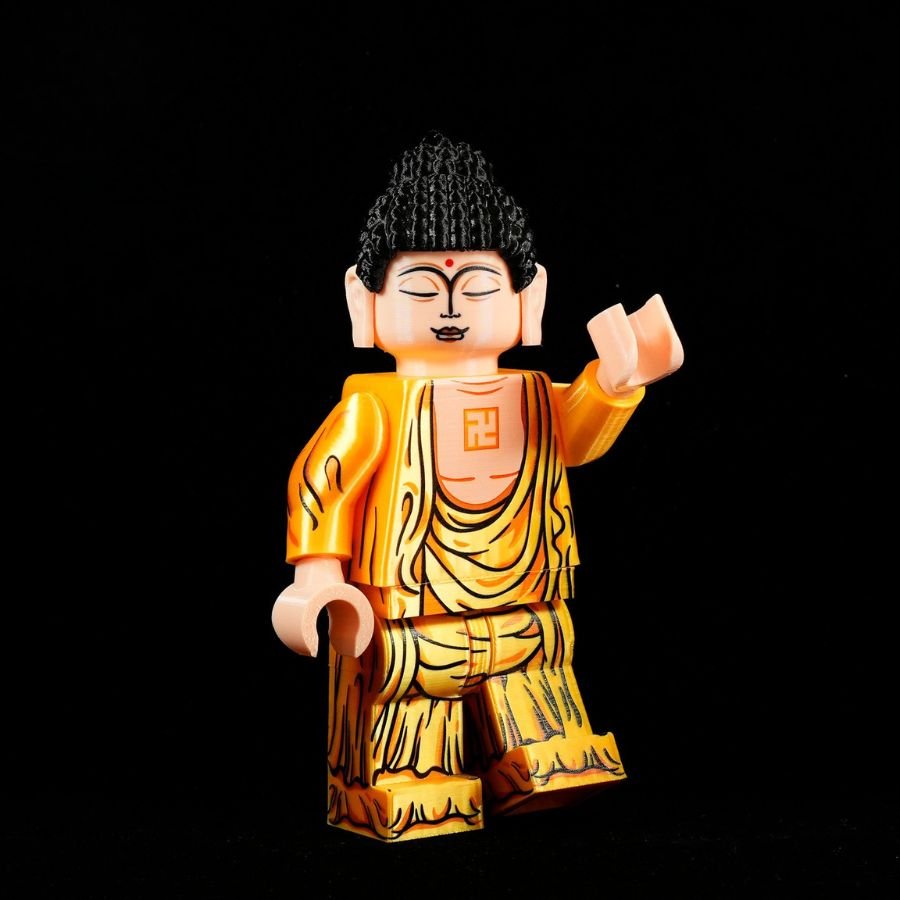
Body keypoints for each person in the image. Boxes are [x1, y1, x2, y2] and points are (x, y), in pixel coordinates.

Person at [271, 132, 684, 841]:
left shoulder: (535, 395)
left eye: (479, 288)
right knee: (409, 682)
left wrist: (616, 385)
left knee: (537, 657)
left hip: (526, 588)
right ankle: (410, 781)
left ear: (529, 299)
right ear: (364, 302)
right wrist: (316, 578)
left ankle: (544, 755)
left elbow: (572, 439)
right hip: (408, 603)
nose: (451, 309)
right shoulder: (374, 407)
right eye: (421, 288)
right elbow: (323, 481)